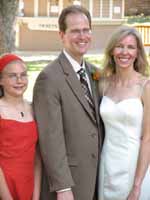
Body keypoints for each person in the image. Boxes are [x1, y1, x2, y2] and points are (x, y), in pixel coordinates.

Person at [33, 5, 103, 200]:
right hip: (70, 184)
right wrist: (63, 187)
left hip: (98, 178)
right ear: (62, 35)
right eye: (75, 31)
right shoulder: (48, 78)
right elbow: (50, 139)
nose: (82, 36)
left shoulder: (95, 73)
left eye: (86, 30)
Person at [98, 25, 150, 200]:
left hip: (134, 164)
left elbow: (147, 139)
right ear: (112, 50)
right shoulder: (103, 84)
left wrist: (137, 185)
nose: (124, 52)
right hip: (107, 163)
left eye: (131, 47)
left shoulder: (145, 86)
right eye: (120, 46)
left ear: (137, 53)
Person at [0, 53, 41, 200]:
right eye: (12, 76)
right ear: (1, 80)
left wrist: (35, 196)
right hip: (4, 186)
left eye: (23, 75)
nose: (19, 80)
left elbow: (37, 158)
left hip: (28, 186)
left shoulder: (34, 109)